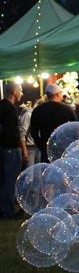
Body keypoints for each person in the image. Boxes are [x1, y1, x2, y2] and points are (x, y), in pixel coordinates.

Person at [29, 84, 76, 163]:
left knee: (48, 169)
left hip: (46, 148)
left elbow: (33, 132)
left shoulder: (38, 110)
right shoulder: (67, 110)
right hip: (63, 148)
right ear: (57, 94)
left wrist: (41, 146)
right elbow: (75, 129)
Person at [0, 82, 26, 218]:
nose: (22, 93)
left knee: (3, 180)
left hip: (3, 148)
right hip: (11, 148)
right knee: (10, 180)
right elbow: (10, 130)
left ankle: (3, 209)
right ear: (14, 92)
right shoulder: (10, 109)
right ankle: (8, 211)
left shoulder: (1, 106)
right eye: (20, 90)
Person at [19, 98, 43, 168]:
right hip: (30, 148)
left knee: (37, 171)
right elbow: (22, 133)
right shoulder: (28, 114)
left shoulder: (39, 115)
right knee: (30, 172)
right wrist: (24, 150)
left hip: (37, 147)